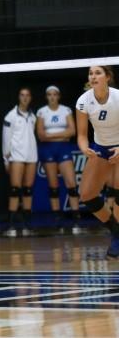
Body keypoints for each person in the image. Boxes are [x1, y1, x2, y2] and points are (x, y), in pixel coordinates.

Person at [76, 66, 119, 258]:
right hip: (101, 148)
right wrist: (85, 148)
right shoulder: (84, 101)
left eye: (98, 73)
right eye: (90, 73)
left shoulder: (118, 97)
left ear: (108, 77)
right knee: (87, 194)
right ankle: (117, 231)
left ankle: (117, 240)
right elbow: (82, 134)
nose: (93, 76)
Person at [36, 85, 80, 226]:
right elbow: (41, 135)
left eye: (55, 94)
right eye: (50, 94)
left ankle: (76, 215)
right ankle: (57, 216)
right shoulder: (41, 112)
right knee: (53, 185)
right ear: (46, 97)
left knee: (71, 184)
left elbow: (72, 131)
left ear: (59, 96)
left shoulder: (65, 110)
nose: (52, 97)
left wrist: (52, 135)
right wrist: (62, 134)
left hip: (63, 149)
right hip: (48, 149)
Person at [2, 87, 38, 236]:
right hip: (16, 156)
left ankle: (26, 225)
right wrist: (6, 159)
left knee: (28, 190)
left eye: (27, 95)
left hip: (31, 156)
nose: (24, 98)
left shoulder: (33, 116)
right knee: (15, 189)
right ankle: (11, 225)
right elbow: (6, 138)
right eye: (22, 95)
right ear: (18, 97)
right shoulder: (10, 116)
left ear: (30, 98)